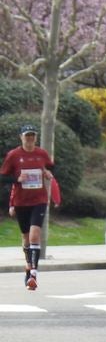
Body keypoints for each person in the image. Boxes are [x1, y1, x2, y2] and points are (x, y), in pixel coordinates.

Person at [1, 124, 55, 291]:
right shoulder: (14, 155)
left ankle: (33, 274)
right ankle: (28, 266)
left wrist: (48, 173)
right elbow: (3, 177)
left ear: (36, 138)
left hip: (39, 200)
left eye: (32, 136)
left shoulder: (41, 154)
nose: (30, 139)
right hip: (21, 202)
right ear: (21, 138)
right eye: (27, 136)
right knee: (25, 238)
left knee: (34, 235)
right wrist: (17, 179)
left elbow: (51, 168)